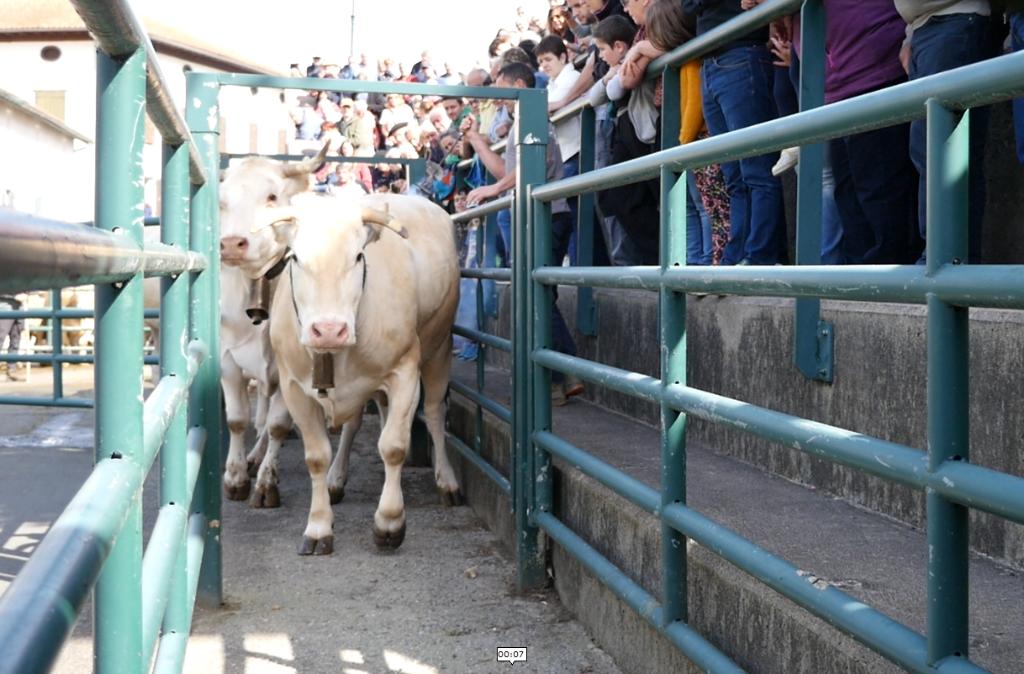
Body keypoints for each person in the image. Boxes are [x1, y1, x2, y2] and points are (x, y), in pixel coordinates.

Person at [462, 62, 584, 406]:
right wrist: (475, 140)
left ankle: (564, 371)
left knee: (537, 293)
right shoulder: (521, 123)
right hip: (540, 214)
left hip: (548, 214)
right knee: (538, 292)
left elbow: (526, 171)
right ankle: (561, 374)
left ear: (517, 85)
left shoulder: (534, 120)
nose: (499, 100)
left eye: (502, 90)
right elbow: (507, 170)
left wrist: (492, 190)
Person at [683, 0, 787, 265]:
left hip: (740, 54)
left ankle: (759, 256)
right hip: (712, 61)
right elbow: (687, 8)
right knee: (734, 176)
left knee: (757, 169)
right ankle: (737, 256)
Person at [896, 0, 993, 263]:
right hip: (927, 27)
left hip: (954, 20)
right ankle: (943, 259)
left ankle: (947, 261)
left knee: (946, 151)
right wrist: (910, 34)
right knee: (930, 150)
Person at [825, 0, 919, 265]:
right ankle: (865, 277)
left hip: (873, 65)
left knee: (879, 184)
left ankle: (887, 276)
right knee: (848, 189)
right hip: (837, 81)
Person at [0, 293, 25, 381]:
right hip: (4, 307)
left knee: (16, 341)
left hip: (19, 308)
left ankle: (12, 370)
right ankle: (11, 370)